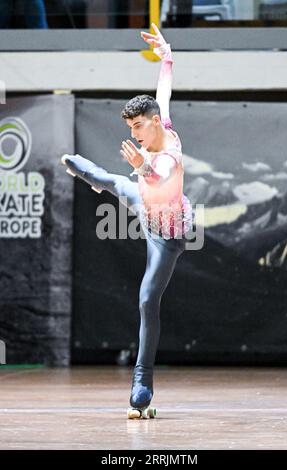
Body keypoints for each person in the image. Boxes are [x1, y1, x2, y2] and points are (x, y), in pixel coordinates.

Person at [61, 23, 193, 415]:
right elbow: (164, 91)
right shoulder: (161, 120)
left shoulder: (168, 152)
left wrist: (145, 169)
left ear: (153, 122)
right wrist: (166, 55)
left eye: (138, 126)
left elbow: (163, 183)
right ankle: (85, 172)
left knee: (148, 298)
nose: (134, 134)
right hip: (146, 207)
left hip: (168, 234)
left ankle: (142, 382)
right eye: (130, 127)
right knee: (114, 182)